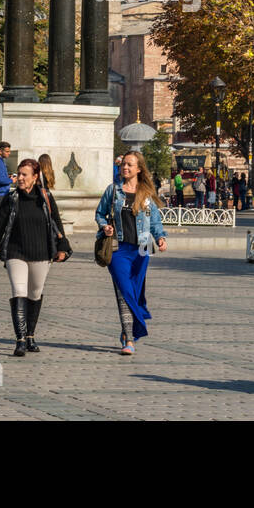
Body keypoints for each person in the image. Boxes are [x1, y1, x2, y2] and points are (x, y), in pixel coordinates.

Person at [0, 158, 70, 356]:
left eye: (24, 175)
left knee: (35, 293)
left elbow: (56, 222)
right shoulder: (11, 198)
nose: (19, 178)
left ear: (35, 177)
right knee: (18, 291)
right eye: (19, 174)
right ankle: (20, 339)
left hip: (41, 253)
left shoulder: (45, 197)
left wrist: (62, 246)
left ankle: (30, 335)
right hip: (16, 253)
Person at [95, 150, 167, 355]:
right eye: (123, 164)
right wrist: (104, 226)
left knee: (134, 292)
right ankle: (130, 339)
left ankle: (130, 329)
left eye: (129, 165)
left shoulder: (146, 193)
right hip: (118, 249)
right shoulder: (113, 190)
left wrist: (161, 237)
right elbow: (100, 213)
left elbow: (154, 220)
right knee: (124, 292)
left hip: (142, 250)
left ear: (139, 169)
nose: (125, 167)